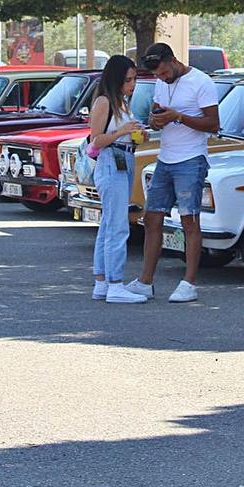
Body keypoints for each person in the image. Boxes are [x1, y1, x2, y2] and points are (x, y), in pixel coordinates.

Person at [126, 43, 220, 303]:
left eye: (163, 72)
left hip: (191, 159)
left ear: (173, 60)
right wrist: (154, 119)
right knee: (152, 219)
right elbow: (155, 112)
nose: (161, 78)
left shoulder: (200, 82)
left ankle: (189, 283)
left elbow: (213, 123)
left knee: (189, 220)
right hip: (165, 157)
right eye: (157, 75)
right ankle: (145, 281)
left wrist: (178, 117)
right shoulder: (161, 82)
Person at [89, 55, 147, 304]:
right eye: (128, 80)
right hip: (112, 161)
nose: (132, 84)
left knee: (109, 224)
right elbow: (96, 140)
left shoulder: (121, 102)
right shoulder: (104, 101)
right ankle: (115, 283)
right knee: (117, 226)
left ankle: (102, 282)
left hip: (124, 158)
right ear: (116, 79)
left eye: (134, 79)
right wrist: (122, 131)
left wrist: (137, 134)